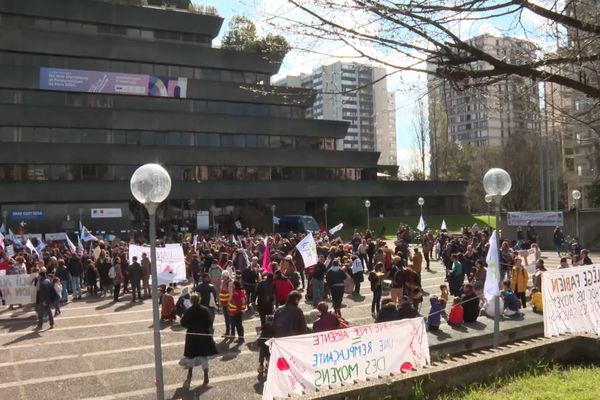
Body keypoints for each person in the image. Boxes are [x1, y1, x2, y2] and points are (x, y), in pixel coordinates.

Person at [179, 294, 218, 385]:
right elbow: (209, 322)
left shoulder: (189, 311)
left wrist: (189, 325)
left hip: (192, 335)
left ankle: (190, 373)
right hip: (203, 334)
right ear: (199, 300)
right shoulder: (205, 310)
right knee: (204, 356)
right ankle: (206, 376)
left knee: (191, 356)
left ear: (191, 301)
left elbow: (183, 323)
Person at [219, 270, 233, 337]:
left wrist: (228, 302)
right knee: (226, 318)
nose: (223, 277)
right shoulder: (222, 282)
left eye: (225, 276)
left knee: (230, 318)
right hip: (223, 302)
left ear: (227, 276)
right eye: (223, 276)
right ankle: (227, 331)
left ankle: (231, 332)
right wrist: (220, 301)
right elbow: (221, 292)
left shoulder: (230, 282)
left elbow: (231, 293)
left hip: (228, 303)